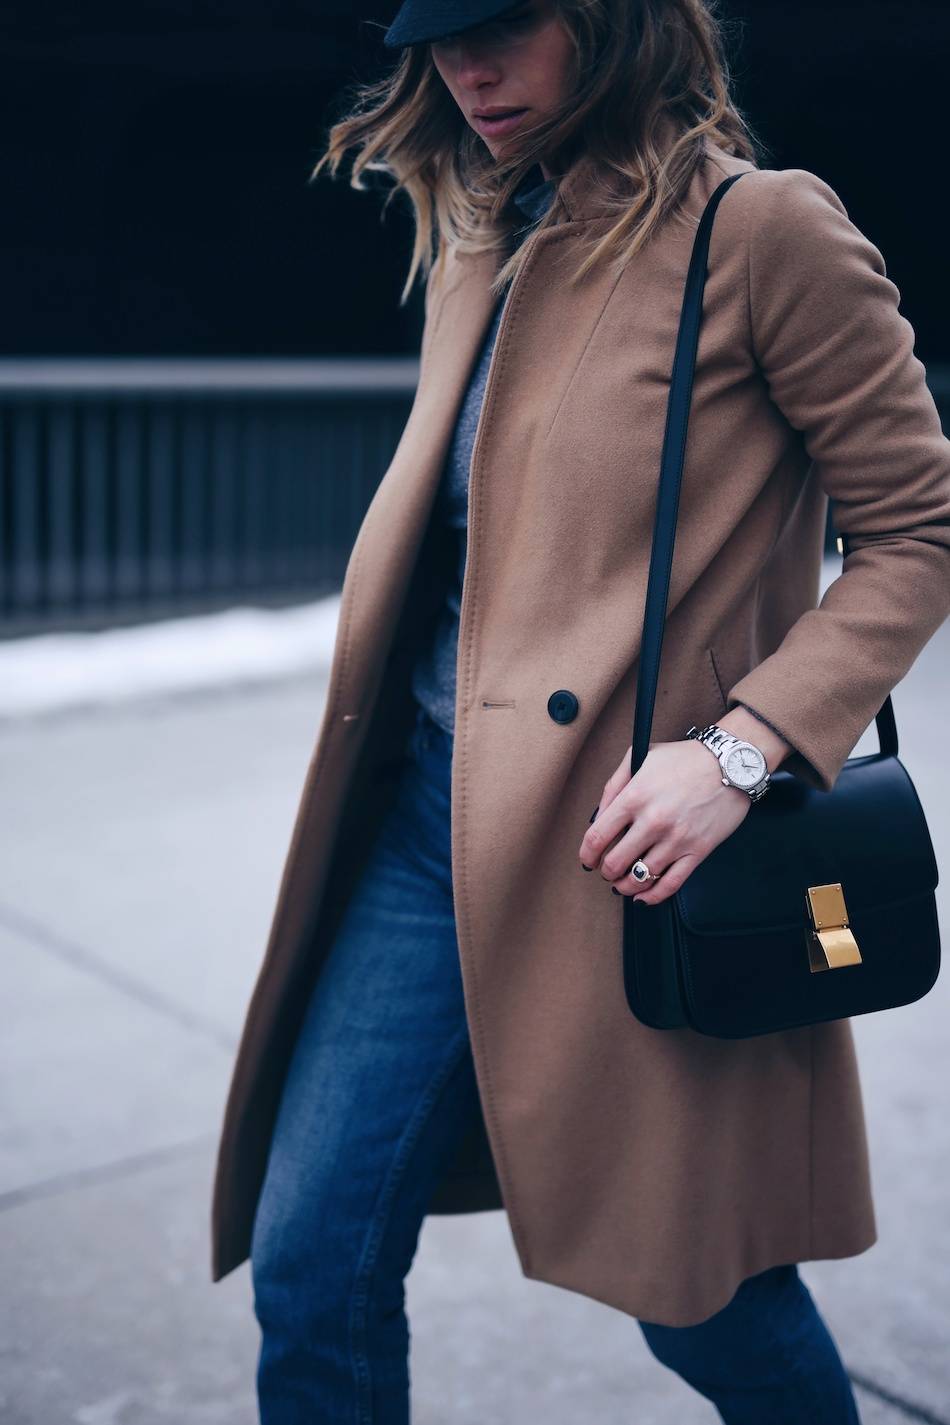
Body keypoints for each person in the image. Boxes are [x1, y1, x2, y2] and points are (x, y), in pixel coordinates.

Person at [208, 2, 950, 1421]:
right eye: (435, 35)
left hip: (628, 852)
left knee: (701, 1300)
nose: (464, 69)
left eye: (502, 24)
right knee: (312, 1261)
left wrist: (743, 749)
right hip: (428, 828)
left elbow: (916, 525)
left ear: (610, 21)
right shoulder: (485, 230)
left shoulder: (760, 233)